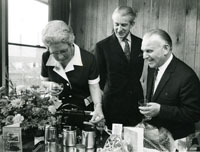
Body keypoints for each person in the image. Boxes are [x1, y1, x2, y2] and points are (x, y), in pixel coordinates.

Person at [139, 29, 200, 140]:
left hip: (177, 141)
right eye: (143, 51)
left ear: (166, 49)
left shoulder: (187, 76)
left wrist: (161, 110)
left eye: (149, 51)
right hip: (156, 139)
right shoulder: (152, 66)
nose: (144, 56)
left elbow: (194, 114)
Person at [40, 20, 104, 124]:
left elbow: (94, 86)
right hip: (57, 112)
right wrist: (50, 85)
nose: (60, 56)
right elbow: (43, 82)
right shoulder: (46, 56)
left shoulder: (88, 59)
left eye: (63, 51)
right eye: (54, 52)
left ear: (71, 43)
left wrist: (98, 106)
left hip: (84, 111)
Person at [94, 6, 144, 129]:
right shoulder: (102, 46)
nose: (119, 29)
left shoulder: (141, 44)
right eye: (116, 24)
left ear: (132, 24)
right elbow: (99, 78)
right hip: (112, 104)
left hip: (135, 103)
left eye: (124, 25)